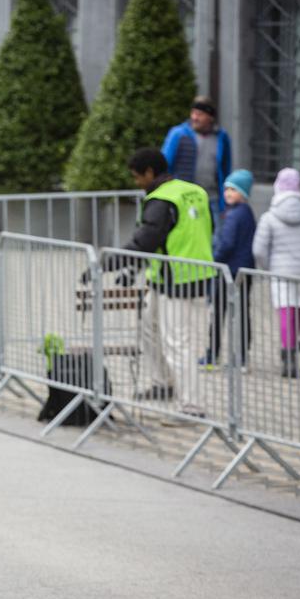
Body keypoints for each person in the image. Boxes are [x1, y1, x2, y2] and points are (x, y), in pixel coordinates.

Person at [91, 148, 216, 423]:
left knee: (178, 344)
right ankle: (163, 383)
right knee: (149, 327)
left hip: (178, 280)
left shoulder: (161, 200)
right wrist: (133, 269)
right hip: (186, 274)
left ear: (150, 172)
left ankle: (191, 407)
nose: (137, 182)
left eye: (137, 177)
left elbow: (144, 240)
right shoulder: (193, 191)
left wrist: (105, 263)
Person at [253, 167, 300, 378]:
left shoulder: (269, 217)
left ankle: (287, 352)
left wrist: (267, 267)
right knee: (297, 309)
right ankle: (294, 346)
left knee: (284, 310)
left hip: (280, 270)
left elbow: (259, 249)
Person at [200, 169, 256, 369]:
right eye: (226, 189)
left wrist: (214, 261)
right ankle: (240, 357)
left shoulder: (234, 215)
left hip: (229, 272)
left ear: (244, 192)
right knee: (240, 313)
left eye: (233, 189)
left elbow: (227, 243)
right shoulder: (246, 213)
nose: (228, 193)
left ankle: (214, 355)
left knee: (220, 313)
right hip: (243, 270)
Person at [161, 95, 232, 224]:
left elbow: (226, 168)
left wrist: (225, 197)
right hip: (185, 198)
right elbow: (164, 164)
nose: (194, 117)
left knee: (216, 239)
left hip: (212, 198)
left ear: (210, 117)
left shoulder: (221, 137)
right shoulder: (178, 134)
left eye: (199, 114)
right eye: (193, 113)